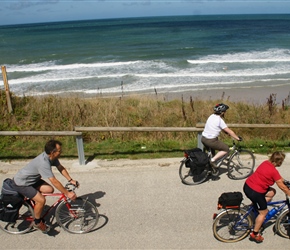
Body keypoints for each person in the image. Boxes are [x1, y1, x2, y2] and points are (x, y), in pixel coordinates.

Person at [11, 140, 78, 233]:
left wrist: (70, 180)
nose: (61, 152)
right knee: (42, 200)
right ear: (52, 152)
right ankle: (37, 222)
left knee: (49, 189)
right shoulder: (43, 163)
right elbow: (54, 181)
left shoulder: (52, 157)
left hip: (32, 180)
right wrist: (67, 193)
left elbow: (60, 168)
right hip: (22, 183)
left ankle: (34, 204)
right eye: (59, 150)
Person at [243, 151, 290, 243]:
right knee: (264, 213)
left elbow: (279, 178)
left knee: (272, 192)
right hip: (255, 192)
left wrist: (286, 181)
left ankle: (255, 207)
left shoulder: (266, 163)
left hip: (248, 185)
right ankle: (255, 234)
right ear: (279, 162)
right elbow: (282, 186)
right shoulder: (273, 171)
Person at [201, 103, 241, 169]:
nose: (225, 113)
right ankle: (212, 161)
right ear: (222, 112)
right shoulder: (219, 120)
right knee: (226, 149)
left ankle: (210, 169)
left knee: (213, 155)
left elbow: (217, 127)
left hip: (203, 139)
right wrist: (237, 138)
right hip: (211, 141)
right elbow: (230, 131)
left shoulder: (211, 116)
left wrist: (225, 133)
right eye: (225, 111)